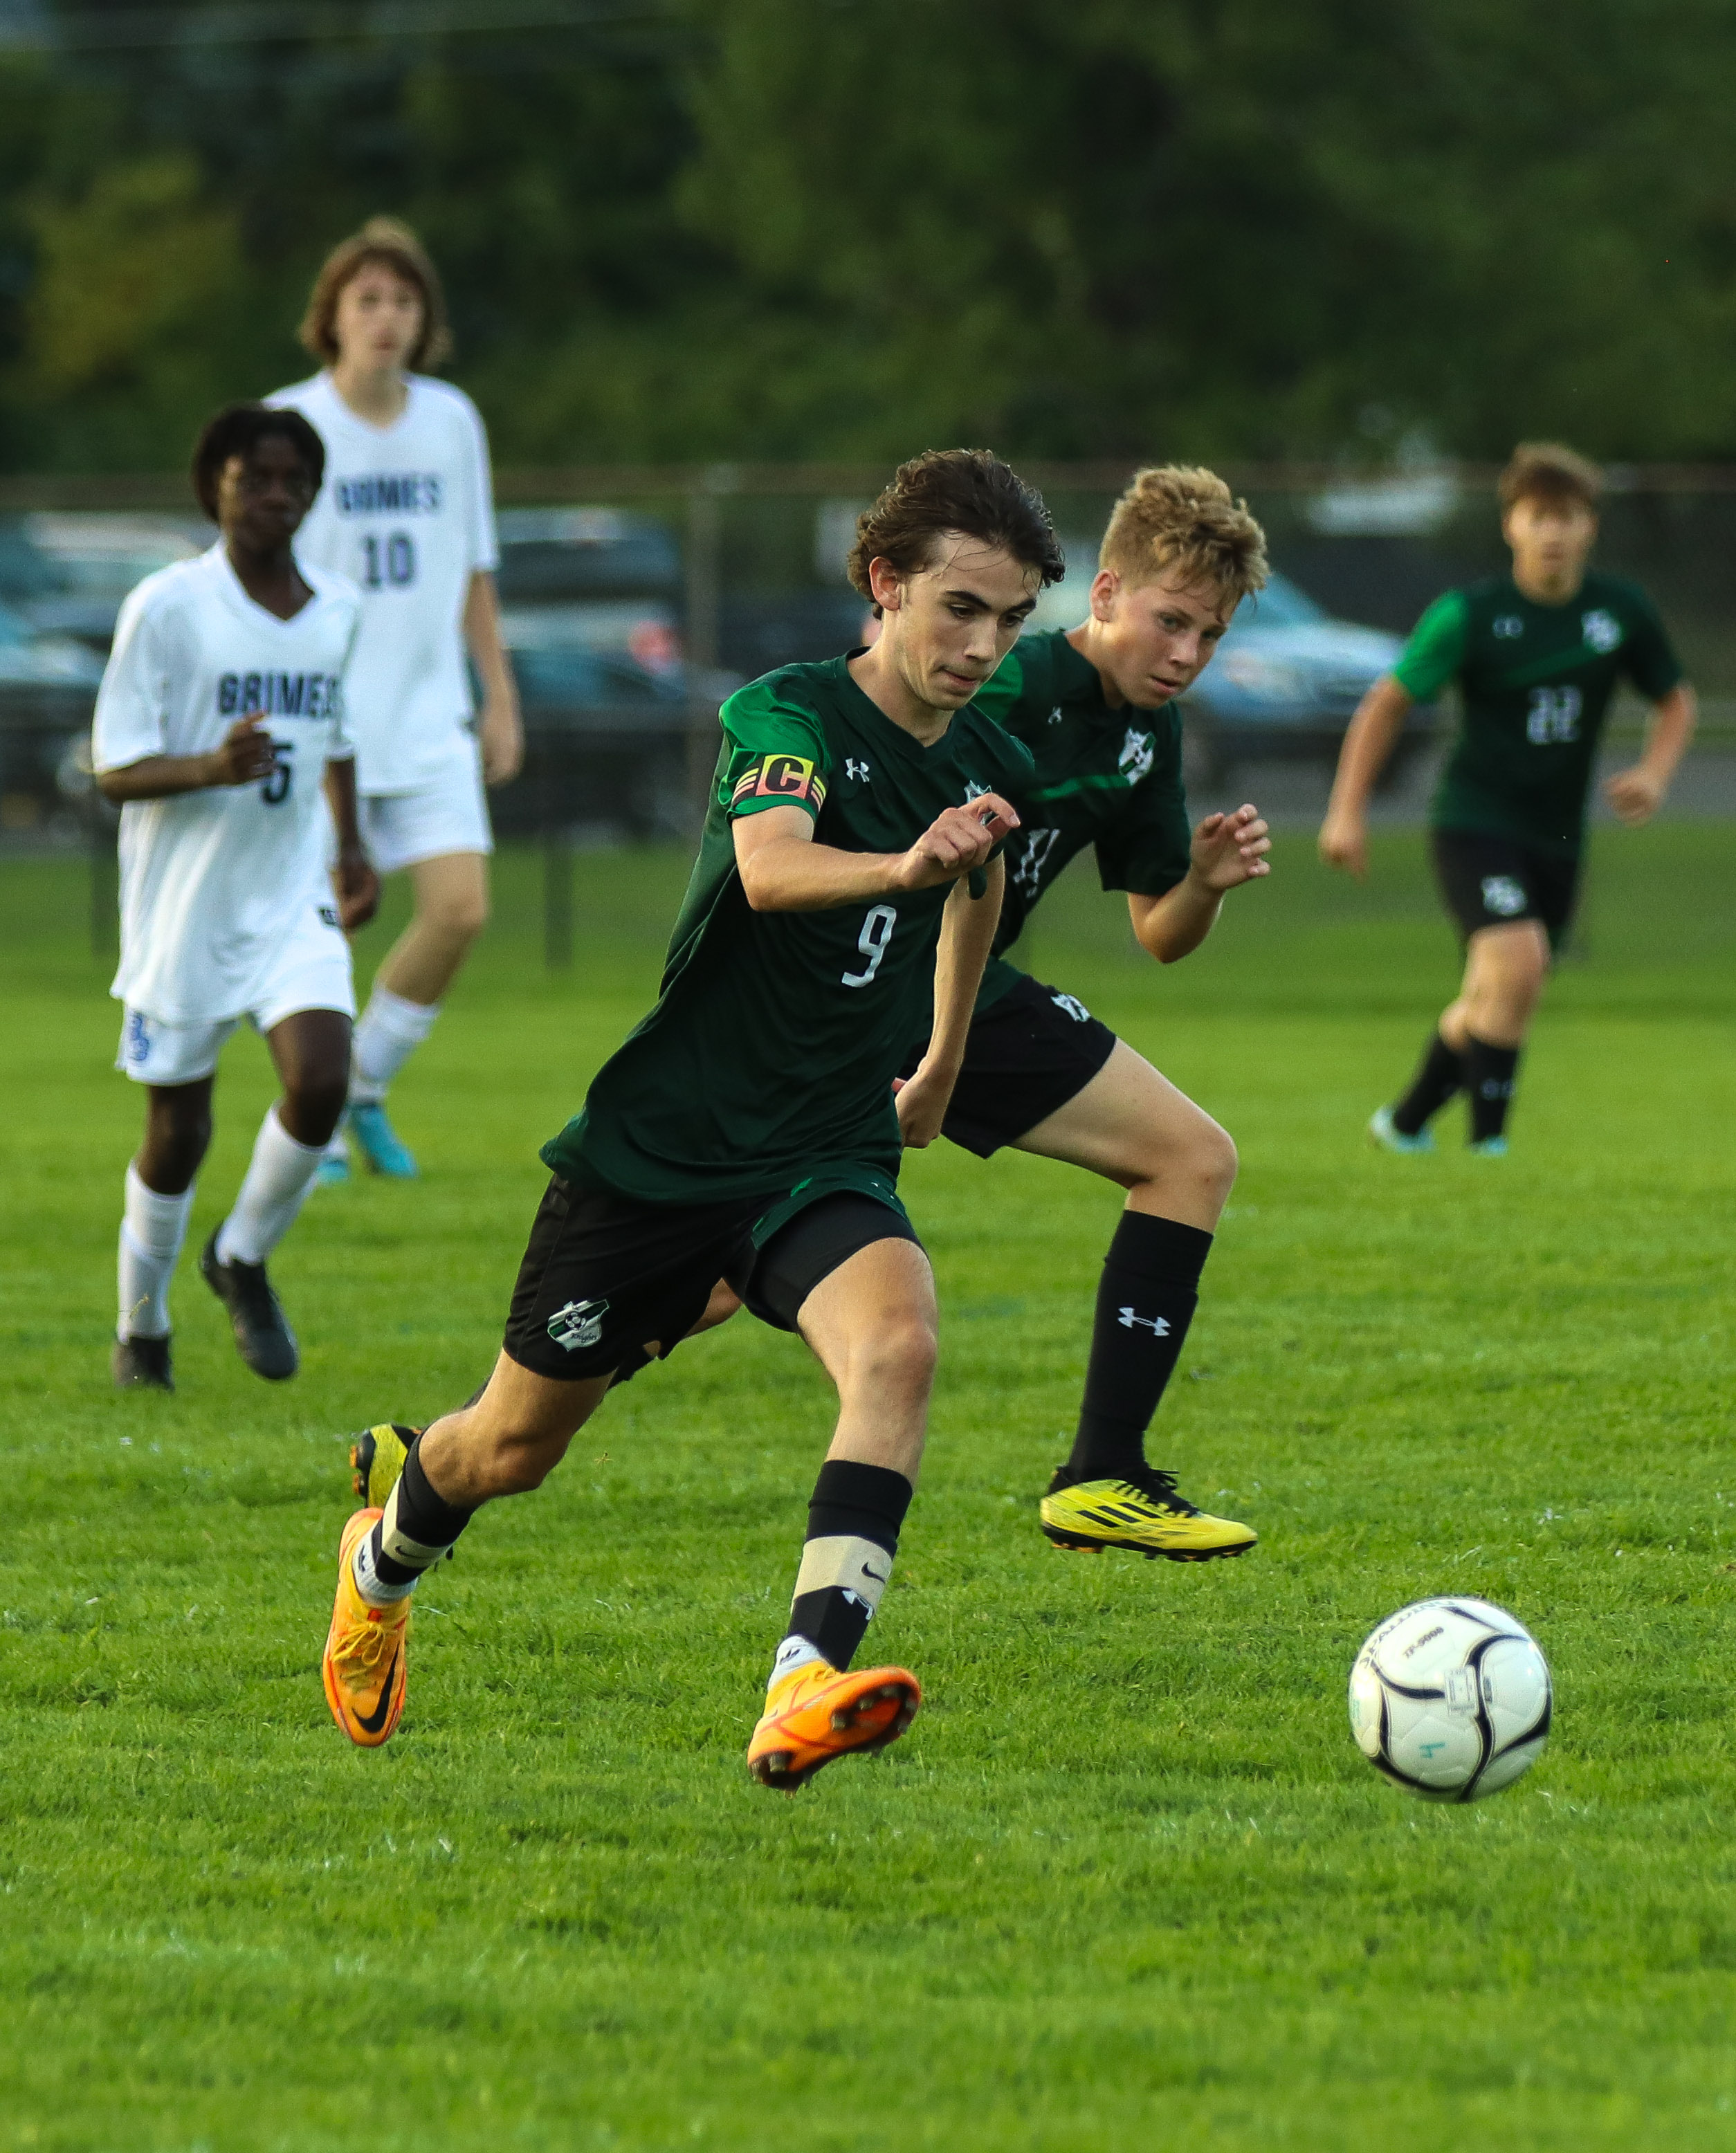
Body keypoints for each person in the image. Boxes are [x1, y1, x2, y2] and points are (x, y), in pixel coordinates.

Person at [321, 449, 1059, 1792]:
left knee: (897, 1344)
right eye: (962, 607)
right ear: (885, 584)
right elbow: (772, 872)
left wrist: (944, 1057)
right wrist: (905, 859)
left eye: (1010, 619)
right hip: (660, 1153)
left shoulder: (990, 751)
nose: (984, 643)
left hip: (821, 1146)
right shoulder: (788, 713)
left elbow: (981, 883)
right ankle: (382, 1560)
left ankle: (802, 1680)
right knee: (511, 1448)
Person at [895, 466, 1273, 1564]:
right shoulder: (1011, 688)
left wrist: (1200, 881)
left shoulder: (1148, 736)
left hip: (953, 995)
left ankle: (1104, 1475)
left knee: (1189, 1159)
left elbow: (1160, 932)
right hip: (882, 985)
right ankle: (1102, 1471)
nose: (1187, 656)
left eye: (1208, 636)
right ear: (1104, 594)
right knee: (739, 1252)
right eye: (1170, 622)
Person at [97, 403, 378, 1392]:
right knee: (177, 1134)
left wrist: (351, 845)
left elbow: (333, 736)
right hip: (182, 906)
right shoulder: (168, 606)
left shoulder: (337, 608)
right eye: (254, 477)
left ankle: (243, 1257)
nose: (275, 495)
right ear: (213, 485)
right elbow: (111, 768)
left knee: (321, 1077)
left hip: (290, 889)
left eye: (293, 480)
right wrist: (213, 766)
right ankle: (143, 1322)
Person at [1319, 442, 1697, 1155]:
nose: (1552, 532)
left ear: (1590, 526)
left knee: (1498, 993)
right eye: (1537, 516)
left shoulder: (1618, 612)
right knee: (1517, 966)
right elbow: (1385, 705)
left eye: (1568, 517)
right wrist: (1346, 811)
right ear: (1510, 526)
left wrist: (1653, 773)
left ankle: (1403, 1125)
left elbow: (1674, 699)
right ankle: (1488, 1148)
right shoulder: (1470, 614)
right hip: (1473, 821)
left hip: (1555, 834)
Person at [269, 217, 522, 1182]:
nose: (386, 318)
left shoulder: (451, 420)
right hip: (321, 721)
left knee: (459, 909)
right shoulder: (290, 425)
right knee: (323, 924)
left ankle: (361, 1087)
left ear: (426, 322)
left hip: (426, 717)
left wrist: (497, 697)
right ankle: (315, 1117)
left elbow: (474, 570)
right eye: (366, 300)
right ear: (330, 317)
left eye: (403, 302)